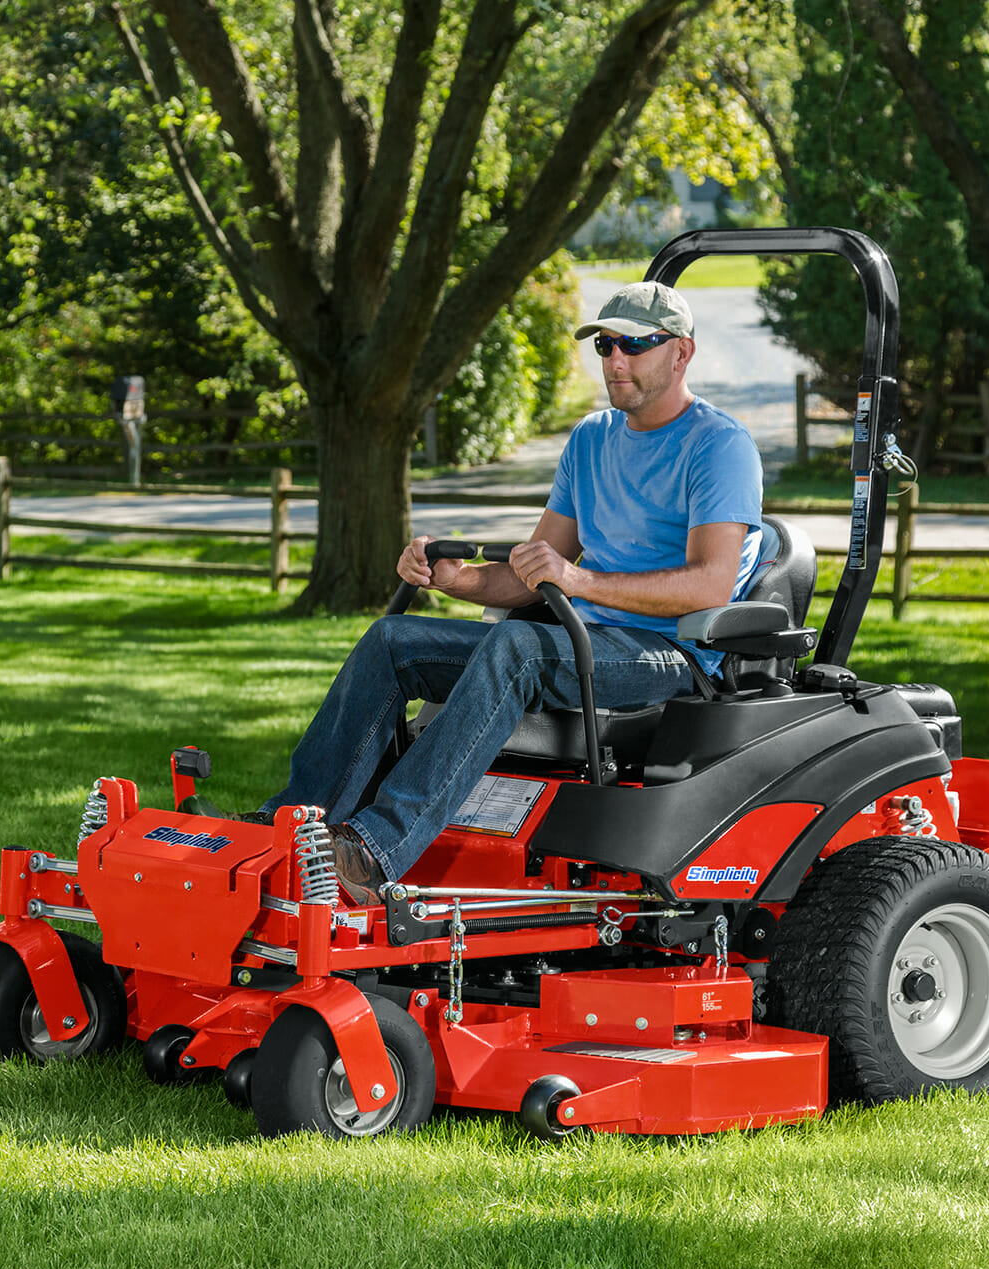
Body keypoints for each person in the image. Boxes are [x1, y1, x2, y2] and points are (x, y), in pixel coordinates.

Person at [257, 281, 764, 900]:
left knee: (518, 648)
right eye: (606, 345)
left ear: (681, 353)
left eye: (635, 345)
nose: (615, 361)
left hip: (672, 654)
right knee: (394, 640)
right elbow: (533, 572)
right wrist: (456, 579)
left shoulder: (718, 446)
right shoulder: (592, 439)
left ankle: (373, 849)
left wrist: (577, 580)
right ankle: (286, 828)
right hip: (585, 638)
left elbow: (711, 584)